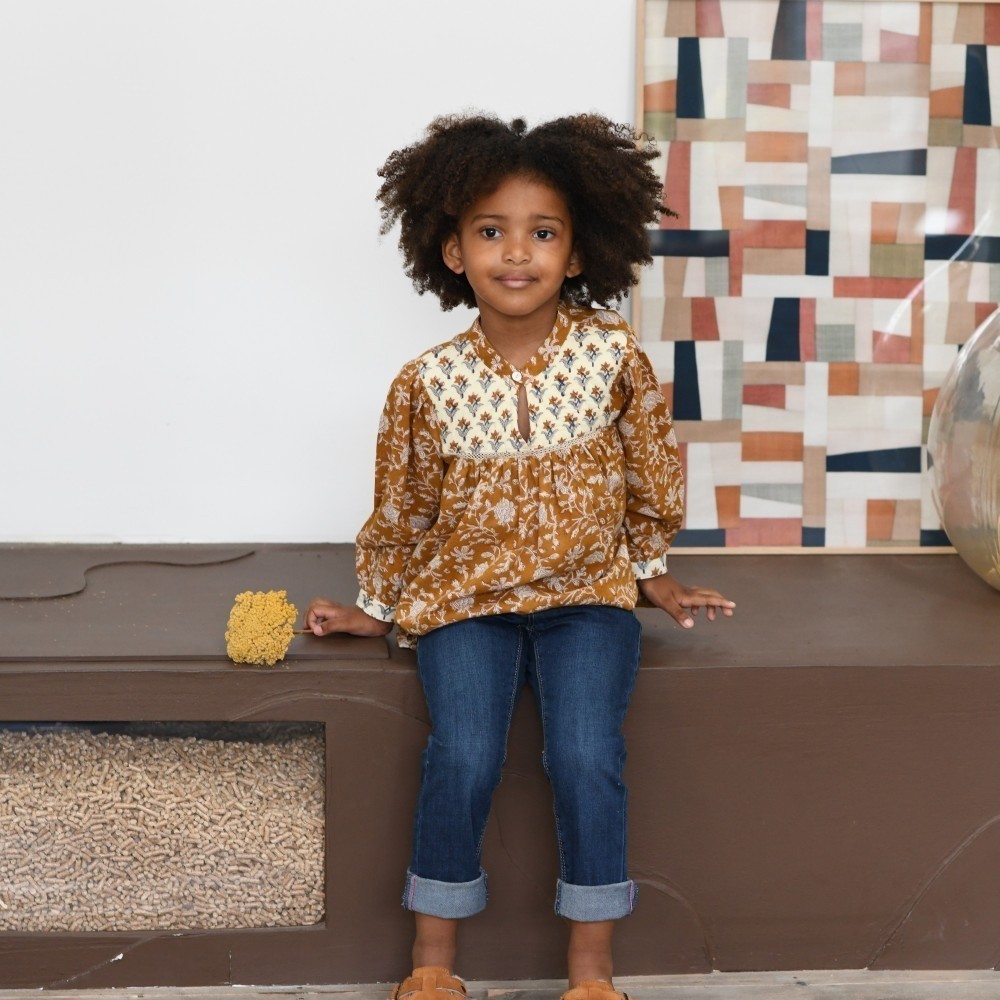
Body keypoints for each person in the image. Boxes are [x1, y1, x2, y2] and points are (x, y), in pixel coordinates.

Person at [305, 113, 735, 1000]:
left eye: (543, 233)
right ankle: (432, 962)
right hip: (466, 605)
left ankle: (591, 969)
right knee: (463, 755)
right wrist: (377, 606)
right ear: (453, 251)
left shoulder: (612, 357)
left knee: (585, 756)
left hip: (589, 601)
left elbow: (648, 471)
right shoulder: (427, 383)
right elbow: (404, 506)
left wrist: (652, 573)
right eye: (491, 231)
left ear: (576, 254)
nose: (516, 252)